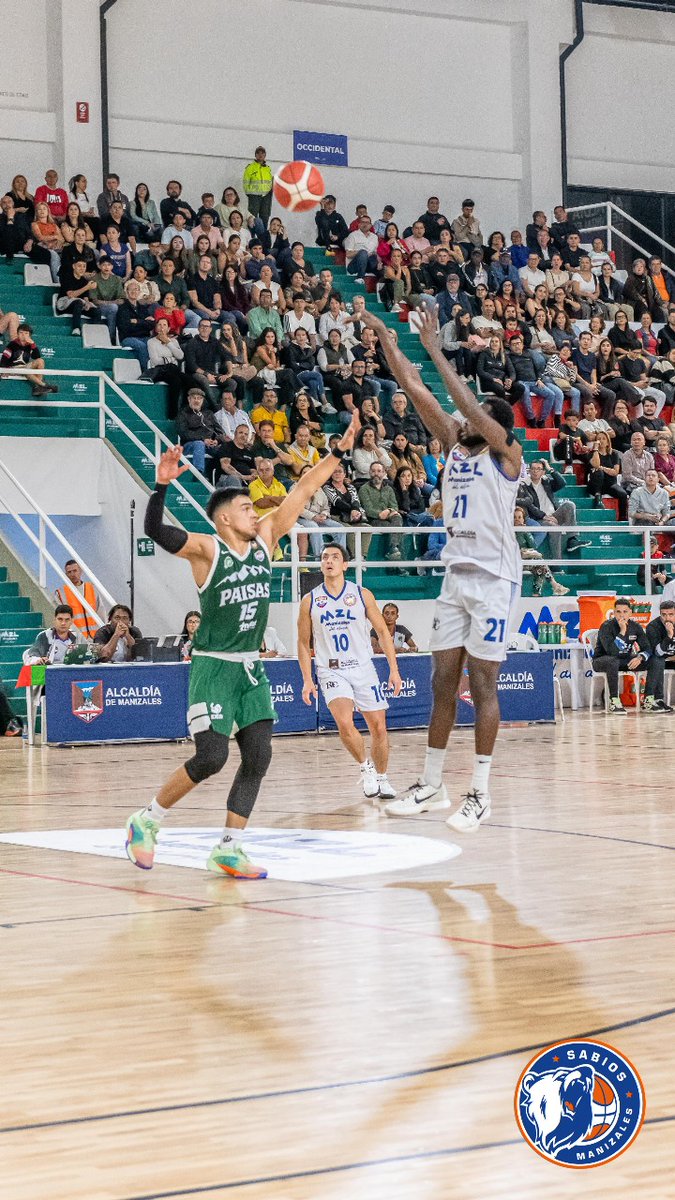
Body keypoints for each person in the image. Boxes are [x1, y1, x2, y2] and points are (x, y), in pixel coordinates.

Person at [124, 416, 360, 879]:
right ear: (225, 518)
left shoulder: (266, 540)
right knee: (212, 757)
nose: (256, 513)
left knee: (259, 755)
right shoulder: (207, 550)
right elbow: (156, 531)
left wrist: (339, 452)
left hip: (251, 668)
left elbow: (302, 491)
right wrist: (160, 485)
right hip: (213, 666)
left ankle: (230, 847)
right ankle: (145, 820)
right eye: (247, 509)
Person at [361, 304, 522, 832]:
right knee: (441, 683)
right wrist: (387, 335)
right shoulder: (455, 446)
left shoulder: (506, 454)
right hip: (456, 577)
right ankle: (432, 783)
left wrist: (435, 348)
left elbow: (464, 403)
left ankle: (481, 790)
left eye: (478, 415)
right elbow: (411, 386)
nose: (464, 418)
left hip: (495, 581)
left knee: (483, 681)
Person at [298, 544, 401, 800]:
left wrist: (393, 670)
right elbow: (302, 642)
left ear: (345, 565)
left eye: (335, 557)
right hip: (331, 670)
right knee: (344, 722)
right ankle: (365, 768)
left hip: (363, 667)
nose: (328, 561)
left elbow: (383, 633)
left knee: (378, 727)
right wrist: (307, 679)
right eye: (324, 558)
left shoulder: (361, 594)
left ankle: (382, 778)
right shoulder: (310, 601)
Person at [592, 597, 656, 715]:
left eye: (625, 612)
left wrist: (640, 657)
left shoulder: (636, 627)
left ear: (630, 613)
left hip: (624, 661)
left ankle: (648, 699)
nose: (622, 615)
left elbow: (647, 648)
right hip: (601, 661)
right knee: (613, 660)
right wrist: (622, 631)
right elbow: (612, 651)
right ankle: (614, 701)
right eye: (618, 612)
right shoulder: (606, 626)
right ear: (614, 612)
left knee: (654, 660)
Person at [519, 460, 590, 558]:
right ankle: (556, 564)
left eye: (539, 469)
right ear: (529, 471)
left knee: (569, 505)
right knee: (554, 528)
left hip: (553, 515)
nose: (535, 471)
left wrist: (550, 469)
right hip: (539, 518)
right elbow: (530, 506)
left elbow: (562, 483)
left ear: (543, 472)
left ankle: (572, 540)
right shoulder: (525, 485)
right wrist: (544, 516)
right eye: (533, 469)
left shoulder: (546, 482)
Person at [514, 506, 569, 597]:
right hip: (513, 561)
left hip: (525, 560)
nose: (517, 520)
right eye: (515, 517)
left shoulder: (525, 531)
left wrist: (526, 532)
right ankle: (554, 585)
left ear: (523, 520)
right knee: (539, 561)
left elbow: (533, 546)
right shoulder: (508, 531)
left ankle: (537, 593)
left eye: (519, 517)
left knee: (539, 566)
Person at [176, 387, 227, 475]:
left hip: (209, 444)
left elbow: (221, 432)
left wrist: (217, 441)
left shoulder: (209, 414)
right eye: (194, 398)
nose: (197, 401)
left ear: (202, 400)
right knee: (199, 444)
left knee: (225, 450)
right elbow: (184, 433)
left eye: (199, 398)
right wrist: (203, 439)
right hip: (190, 445)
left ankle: (218, 476)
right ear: (189, 399)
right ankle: (198, 474)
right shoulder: (183, 414)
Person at [358, 462, 403, 560]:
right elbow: (368, 509)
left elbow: (395, 507)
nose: (376, 474)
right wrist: (380, 514)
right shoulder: (364, 489)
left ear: (384, 473)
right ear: (370, 473)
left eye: (379, 471)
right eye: (373, 471)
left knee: (398, 518)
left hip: (388, 517)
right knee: (395, 529)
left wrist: (389, 510)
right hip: (373, 520)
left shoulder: (389, 489)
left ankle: (393, 549)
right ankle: (395, 556)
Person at [0, 323, 58, 397]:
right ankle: (44, 385)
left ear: (29, 335)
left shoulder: (30, 345)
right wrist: (5, 370)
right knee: (26, 371)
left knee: (40, 361)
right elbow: (4, 360)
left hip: (24, 367)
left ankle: (38, 387)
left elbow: (37, 357)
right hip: (13, 368)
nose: (23, 335)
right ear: (17, 334)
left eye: (26, 333)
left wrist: (33, 344)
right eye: (21, 333)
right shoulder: (12, 344)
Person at [55, 559, 102, 640]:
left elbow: (101, 611)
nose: (73, 574)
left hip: (96, 636)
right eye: (69, 572)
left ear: (80, 571)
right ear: (66, 574)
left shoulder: (92, 588)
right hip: (76, 638)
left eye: (75, 571)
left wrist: (102, 632)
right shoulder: (61, 593)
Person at [642, 600, 675, 712]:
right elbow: (658, 652)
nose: (667, 618)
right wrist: (669, 635)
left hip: (671, 658)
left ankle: (658, 700)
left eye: (671, 614)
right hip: (653, 659)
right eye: (664, 615)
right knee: (658, 660)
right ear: (660, 614)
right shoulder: (653, 627)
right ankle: (652, 699)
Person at [587, 431, 628, 518]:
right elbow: (596, 465)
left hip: (610, 484)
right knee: (599, 472)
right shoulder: (591, 454)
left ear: (608, 441)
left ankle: (623, 518)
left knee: (623, 494)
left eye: (603, 439)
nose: (601, 441)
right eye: (599, 439)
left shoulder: (614, 454)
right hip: (595, 485)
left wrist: (603, 468)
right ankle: (598, 498)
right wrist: (595, 449)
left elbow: (615, 472)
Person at [243, 147, 273, 230]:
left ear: (265, 155)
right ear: (255, 155)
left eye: (262, 153)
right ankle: (251, 237)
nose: (260, 155)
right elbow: (246, 181)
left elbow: (270, 181)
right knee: (252, 217)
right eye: (258, 153)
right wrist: (249, 193)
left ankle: (263, 238)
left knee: (265, 217)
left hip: (266, 196)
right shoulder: (250, 167)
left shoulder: (267, 168)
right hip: (254, 196)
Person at [344, 214, 378, 279]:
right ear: (359, 224)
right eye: (363, 222)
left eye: (367, 223)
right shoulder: (353, 235)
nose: (365, 224)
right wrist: (360, 252)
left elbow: (376, 252)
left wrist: (372, 254)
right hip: (355, 266)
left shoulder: (374, 237)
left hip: (369, 264)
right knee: (363, 253)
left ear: (370, 225)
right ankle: (360, 278)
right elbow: (348, 254)